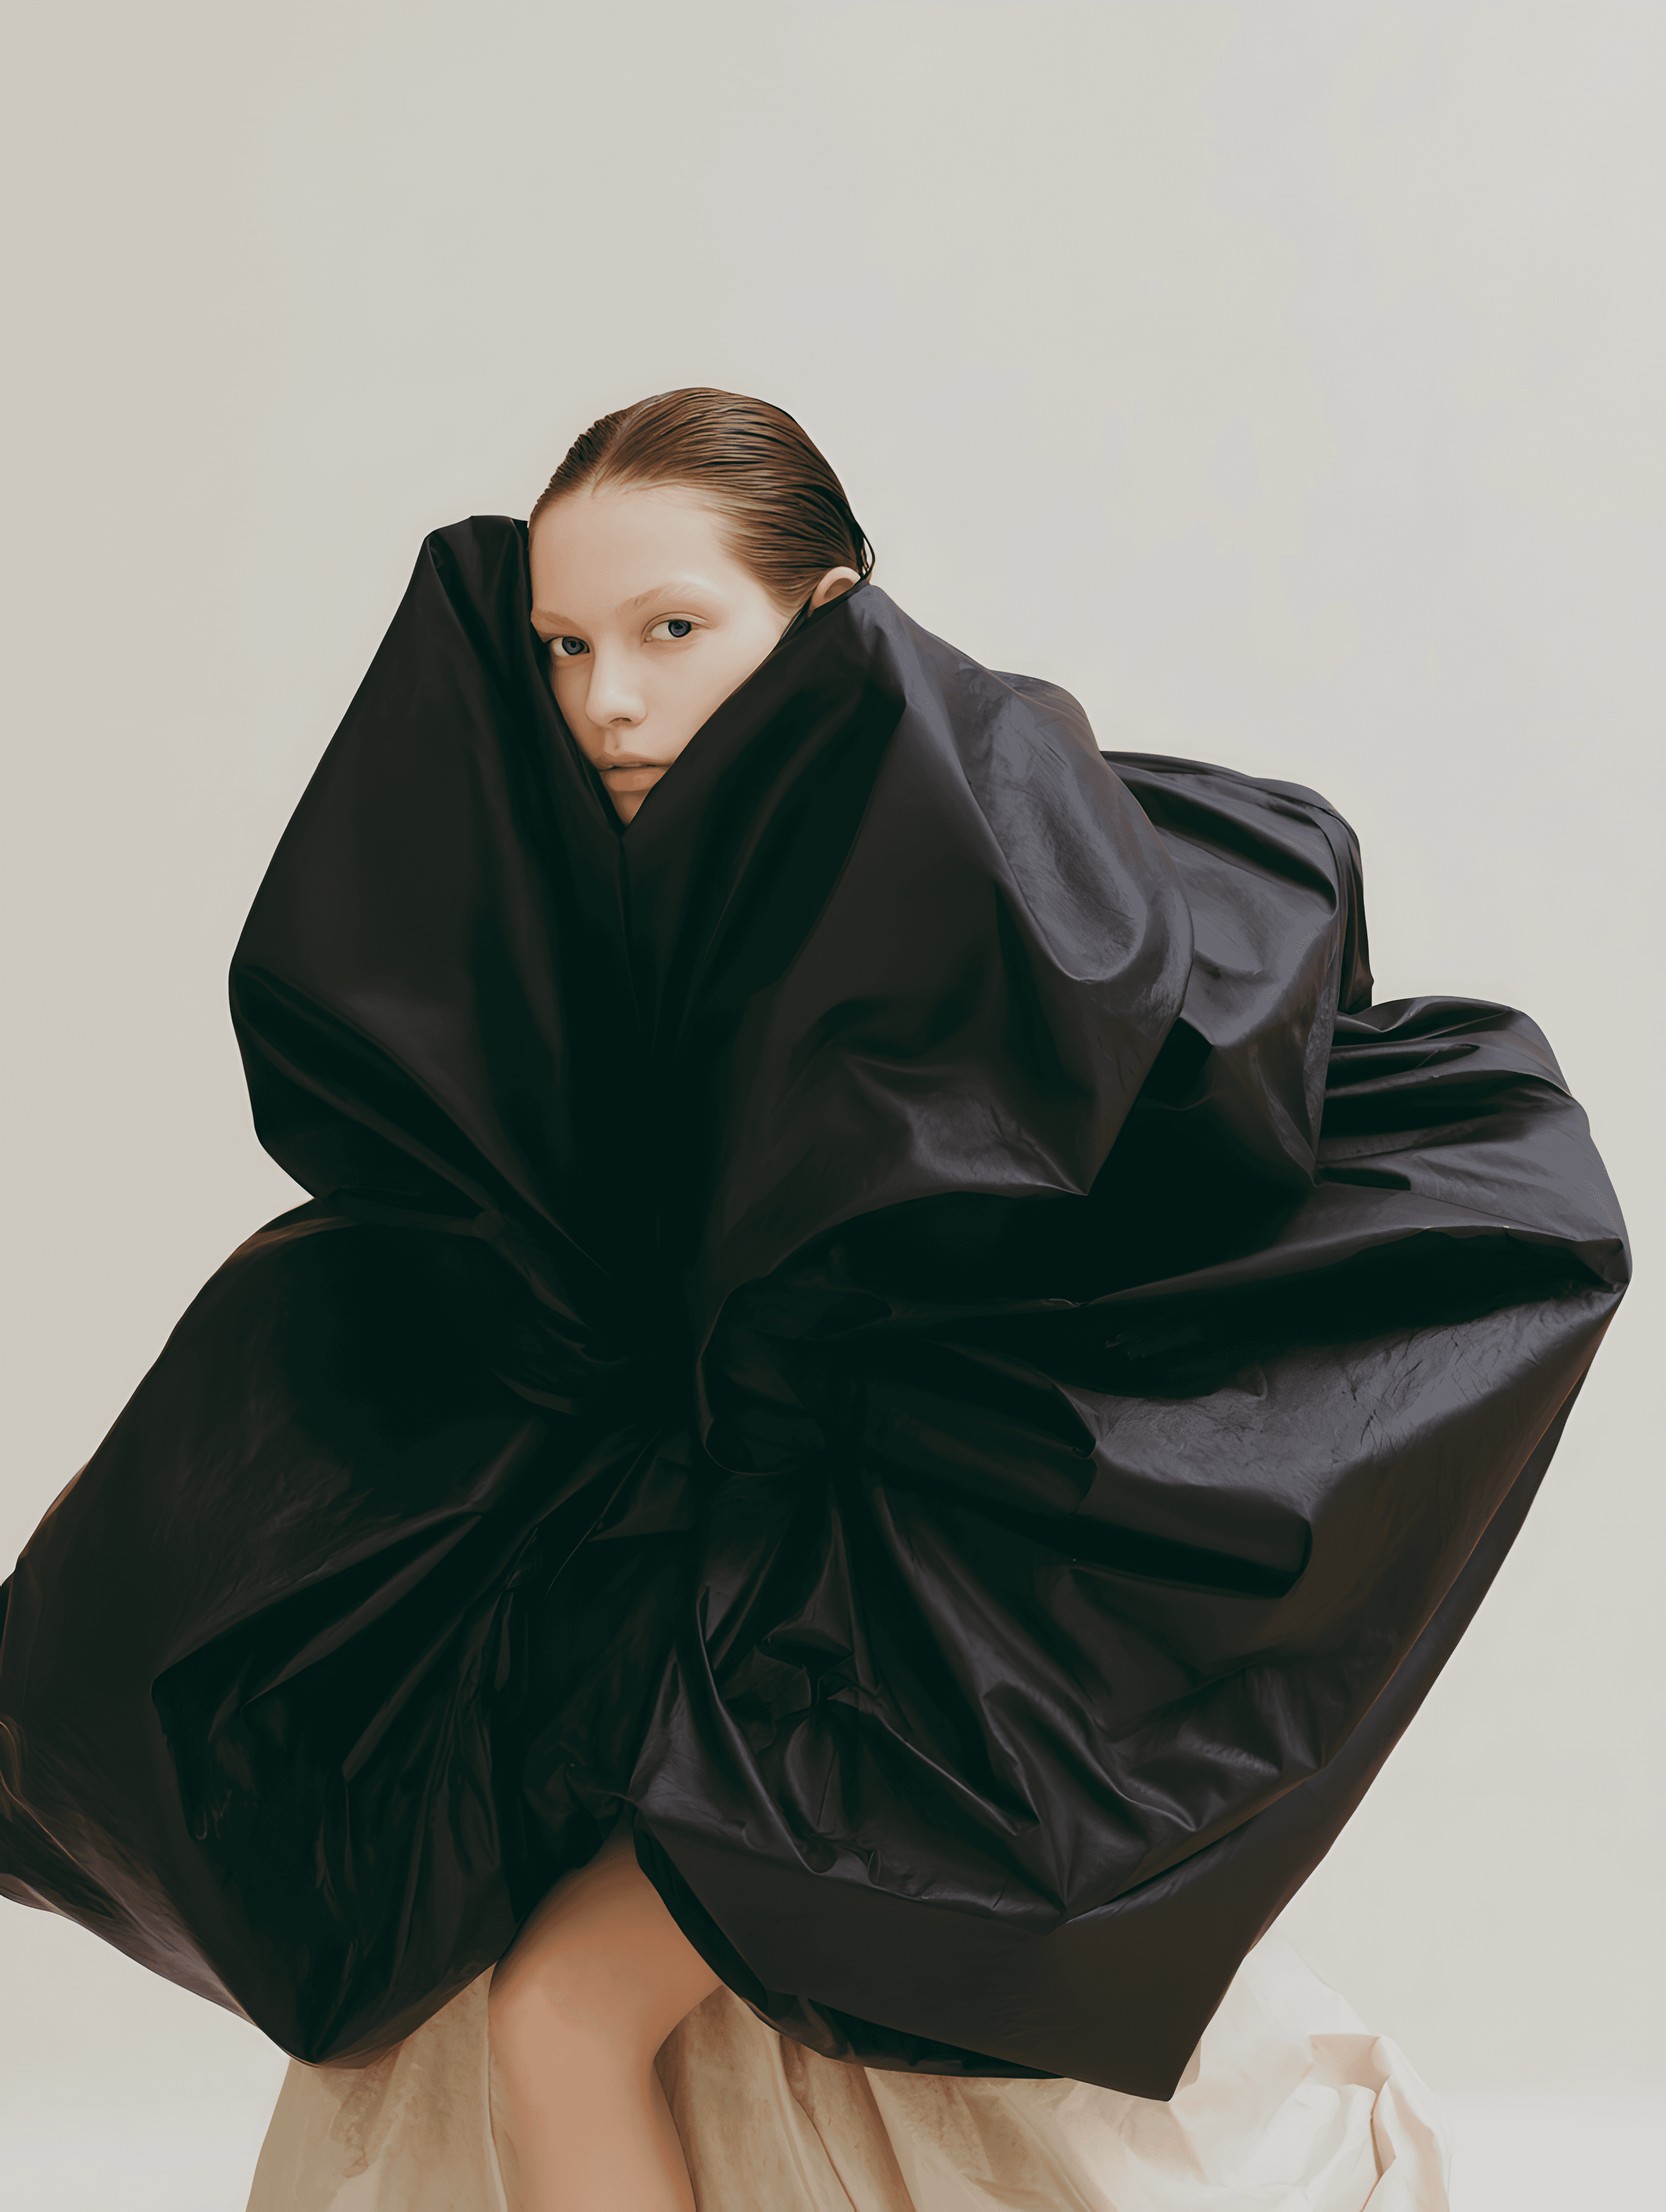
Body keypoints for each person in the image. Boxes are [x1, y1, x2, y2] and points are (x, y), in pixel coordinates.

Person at [0, 390, 1628, 2212]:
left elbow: (1008, 1228)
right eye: (563, 646)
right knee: (570, 2019)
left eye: (671, 629)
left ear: (827, 610)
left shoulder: (963, 871)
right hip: (744, 1619)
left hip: (912, 1637)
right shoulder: (614, 886)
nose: (610, 701)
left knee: (566, 2018)